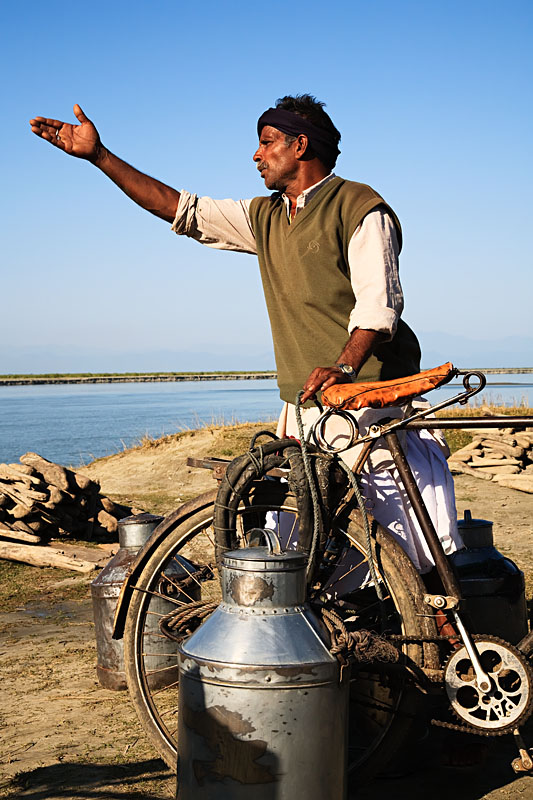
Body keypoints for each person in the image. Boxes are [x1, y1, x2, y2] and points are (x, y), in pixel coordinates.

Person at [29, 94, 463, 573]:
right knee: (311, 549)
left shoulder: (359, 207)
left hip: (375, 402)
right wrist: (99, 156)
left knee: (406, 551)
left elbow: (378, 307)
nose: (256, 155)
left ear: (301, 146)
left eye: (266, 143)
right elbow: (180, 208)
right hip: (308, 407)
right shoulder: (267, 216)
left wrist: (344, 366)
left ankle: (439, 631)